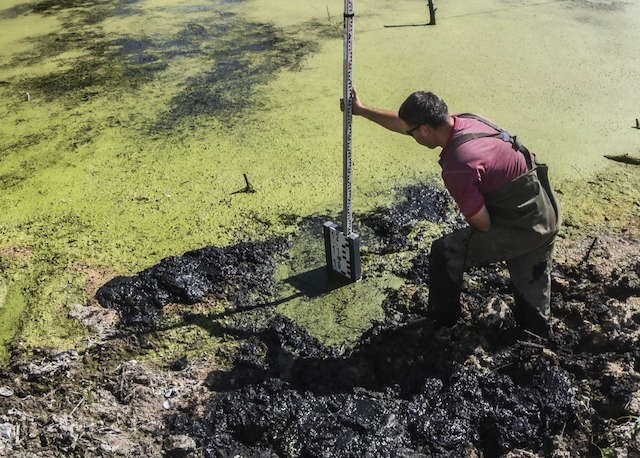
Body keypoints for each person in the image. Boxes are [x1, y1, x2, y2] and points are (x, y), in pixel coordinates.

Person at [347, 89, 561, 336]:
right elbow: (404, 123)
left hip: (520, 226)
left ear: (425, 129)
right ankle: (538, 334)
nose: (411, 137)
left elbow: (483, 224)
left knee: (445, 252)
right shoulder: (468, 120)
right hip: (545, 212)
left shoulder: (458, 164)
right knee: (532, 287)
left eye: (412, 133)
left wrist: (470, 206)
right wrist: (361, 110)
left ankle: (441, 323)